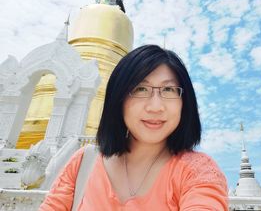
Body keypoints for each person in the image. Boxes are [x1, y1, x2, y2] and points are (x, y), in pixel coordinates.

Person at [39, 44, 228, 210]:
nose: (155, 107)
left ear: (184, 103)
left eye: (169, 89)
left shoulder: (197, 172)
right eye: (140, 89)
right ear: (118, 98)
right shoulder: (83, 162)